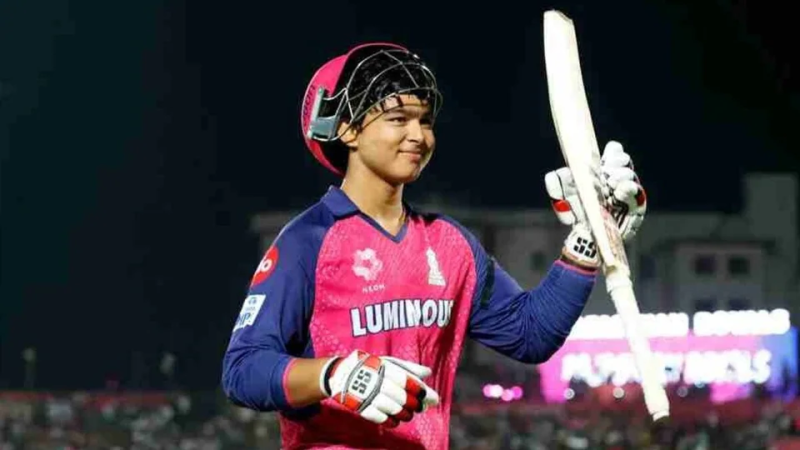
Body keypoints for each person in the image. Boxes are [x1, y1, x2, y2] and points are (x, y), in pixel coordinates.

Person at [221, 42, 647, 449]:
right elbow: (242, 370)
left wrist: (589, 239)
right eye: (398, 118)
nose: (418, 136)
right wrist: (335, 375)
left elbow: (531, 334)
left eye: (424, 120)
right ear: (347, 129)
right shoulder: (307, 241)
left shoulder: (450, 244)